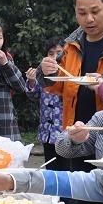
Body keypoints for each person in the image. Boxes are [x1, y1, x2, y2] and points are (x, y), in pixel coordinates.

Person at [39, 0, 103, 128]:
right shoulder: (71, 45)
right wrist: (48, 72)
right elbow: (58, 87)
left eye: (95, 11)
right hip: (76, 133)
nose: (89, 19)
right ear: (75, 11)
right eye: (82, 13)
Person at [25, 37, 65, 170]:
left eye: (58, 53)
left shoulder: (69, 72)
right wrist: (31, 81)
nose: (54, 57)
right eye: (50, 53)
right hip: (47, 133)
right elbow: (34, 95)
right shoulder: (42, 73)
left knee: (66, 170)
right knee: (51, 168)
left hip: (64, 132)